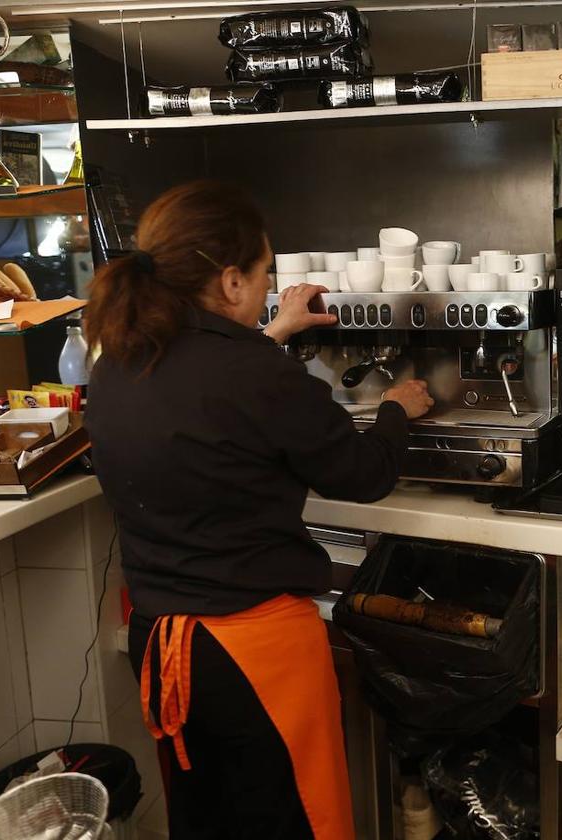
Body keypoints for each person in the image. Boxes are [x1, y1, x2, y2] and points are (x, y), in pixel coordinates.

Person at [84, 180, 433, 839]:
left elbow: (206, 388)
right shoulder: (252, 372)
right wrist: (396, 411)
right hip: (252, 653)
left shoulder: (116, 362)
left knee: (209, 820)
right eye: (264, 275)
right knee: (293, 821)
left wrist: (273, 333)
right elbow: (363, 474)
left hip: (162, 645)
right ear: (232, 282)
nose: (266, 289)